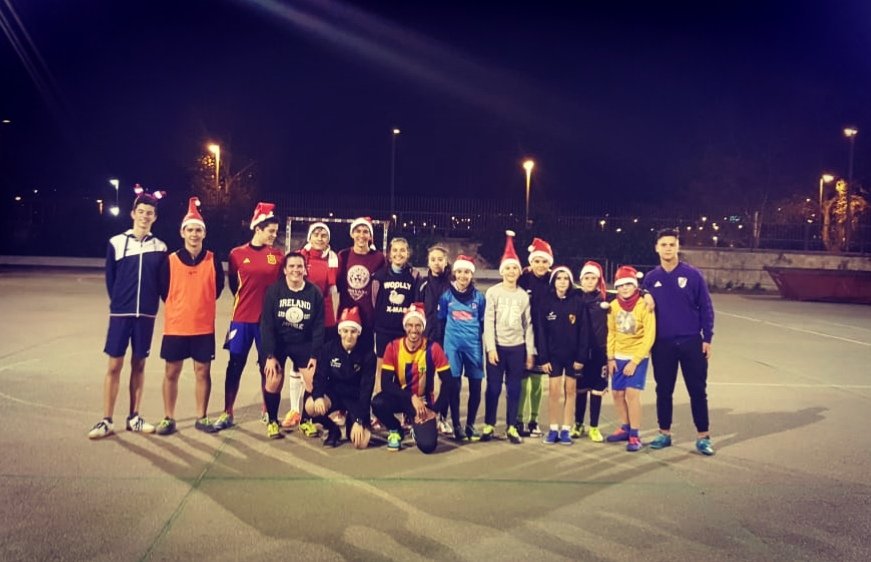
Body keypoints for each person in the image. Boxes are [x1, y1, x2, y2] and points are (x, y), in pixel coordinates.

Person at [88, 187, 167, 439]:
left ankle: (134, 416)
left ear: (155, 217)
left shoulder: (160, 247)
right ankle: (106, 420)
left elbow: (163, 283)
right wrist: (120, 303)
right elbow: (111, 279)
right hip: (121, 314)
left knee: (139, 364)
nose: (145, 216)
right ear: (133, 213)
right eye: (141, 212)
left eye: (150, 213)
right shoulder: (116, 242)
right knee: (114, 365)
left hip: (146, 315)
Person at [155, 198, 225, 435]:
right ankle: (168, 417)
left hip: (203, 327)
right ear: (182, 232)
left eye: (198, 230)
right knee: (171, 372)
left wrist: (199, 305)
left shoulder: (212, 259)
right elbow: (165, 290)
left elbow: (217, 288)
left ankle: (201, 416)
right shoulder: (171, 260)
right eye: (190, 230)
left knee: (202, 372)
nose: (194, 234)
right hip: (176, 327)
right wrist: (181, 306)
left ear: (204, 234)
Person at [643, 228, 716, 456]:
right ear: (656, 248)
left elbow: (706, 307)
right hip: (662, 344)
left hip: (691, 342)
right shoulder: (651, 278)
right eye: (663, 244)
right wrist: (643, 292)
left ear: (678, 247)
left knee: (697, 390)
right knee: (663, 390)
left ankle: (703, 437)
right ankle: (664, 433)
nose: (667, 248)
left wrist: (707, 337)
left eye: (671, 245)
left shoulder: (693, 276)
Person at [213, 202, 283, 432]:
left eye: (275, 231)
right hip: (241, 319)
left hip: (267, 322)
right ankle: (227, 412)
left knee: (269, 367)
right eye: (270, 230)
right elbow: (235, 285)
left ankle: (267, 411)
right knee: (235, 365)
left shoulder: (277, 256)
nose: (274, 235)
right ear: (258, 229)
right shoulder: (236, 254)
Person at [371, 303, 452, 453]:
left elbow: (448, 382)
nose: (413, 330)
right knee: (377, 403)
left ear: (423, 327)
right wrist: (411, 397)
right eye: (409, 325)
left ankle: (417, 428)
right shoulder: (393, 347)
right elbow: (386, 383)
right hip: (402, 397)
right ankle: (395, 430)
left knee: (428, 447)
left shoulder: (433, 348)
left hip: (423, 402)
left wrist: (435, 409)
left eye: (417, 325)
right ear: (404, 326)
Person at [260, 252, 325, 439]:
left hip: (303, 342)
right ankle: (272, 420)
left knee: (313, 380)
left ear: (305, 269)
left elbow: (318, 327)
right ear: (285, 270)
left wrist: (314, 355)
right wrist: (270, 356)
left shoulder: (314, 293)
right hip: (279, 342)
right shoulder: (274, 291)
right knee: (273, 379)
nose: (296, 270)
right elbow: (267, 325)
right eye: (292, 266)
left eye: (299, 266)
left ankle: (305, 421)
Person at [482, 231, 535, 444]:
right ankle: (489, 424)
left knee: (514, 388)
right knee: (493, 388)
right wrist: (491, 348)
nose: (511, 271)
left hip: (517, 348)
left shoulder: (523, 295)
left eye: (515, 267)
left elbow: (528, 324)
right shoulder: (493, 293)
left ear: (518, 271)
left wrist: (529, 351)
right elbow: (488, 322)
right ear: (502, 271)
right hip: (498, 348)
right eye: (508, 268)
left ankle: (512, 426)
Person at [287, 221, 340, 433]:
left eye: (324, 235)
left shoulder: (332, 259)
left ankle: (320, 407)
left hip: (325, 319)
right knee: (296, 365)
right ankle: (294, 410)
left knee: (320, 366)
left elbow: (334, 291)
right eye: (316, 234)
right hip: (301, 316)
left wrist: (335, 321)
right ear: (309, 236)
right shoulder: (299, 256)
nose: (320, 237)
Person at [305, 307, 375, 448]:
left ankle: (351, 421)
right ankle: (332, 429)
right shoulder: (328, 349)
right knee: (310, 406)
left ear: (358, 333)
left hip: (355, 398)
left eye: (353, 331)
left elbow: (366, 389)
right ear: (340, 331)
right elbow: (320, 377)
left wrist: (360, 420)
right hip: (335, 394)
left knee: (361, 443)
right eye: (345, 331)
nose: (349, 335)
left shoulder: (368, 355)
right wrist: (318, 396)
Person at [606, 266, 655, 452]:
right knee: (617, 394)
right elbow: (611, 333)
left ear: (635, 286)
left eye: (629, 284)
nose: (625, 288)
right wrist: (610, 358)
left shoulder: (645, 305)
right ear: (616, 288)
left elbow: (649, 335)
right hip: (617, 356)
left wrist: (635, 361)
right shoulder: (613, 306)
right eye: (621, 285)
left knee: (632, 394)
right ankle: (625, 427)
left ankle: (635, 434)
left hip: (637, 356)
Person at [437, 254, 486, 441]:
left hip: (473, 346)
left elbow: (482, 323)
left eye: (467, 272)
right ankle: (457, 424)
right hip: (452, 347)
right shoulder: (446, 297)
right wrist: (443, 348)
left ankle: (470, 425)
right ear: (454, 273)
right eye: (459, 272)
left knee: (475, 386)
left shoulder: (479, 298)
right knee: (453, 386)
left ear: (471, 275)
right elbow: (441, 323)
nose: (463, 276)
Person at [536, 266, 586, 445]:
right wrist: (543, 358)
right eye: (559, 278)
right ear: (554, 282)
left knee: (570, 391)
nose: (562, 281)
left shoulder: (578, 302)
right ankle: (553, 429)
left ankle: (566, 429)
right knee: (554, 392)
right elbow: (541, 332)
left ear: (570, 282)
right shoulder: (546, 302)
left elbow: (584, 332)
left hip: (573, 357)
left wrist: (581, 357)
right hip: (554, 356)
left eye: (566, 278)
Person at [517, 237, 554, 437]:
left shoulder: (554, 279)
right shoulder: (523, 279)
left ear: (550, 263)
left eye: (544, 261)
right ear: (530, 262)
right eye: (537, 261)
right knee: (522, 381)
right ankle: (518, 420)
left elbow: (578, 292)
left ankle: (533, 420)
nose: (540, 265)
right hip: (523, 337)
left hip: (545, 339)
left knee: (537, 382)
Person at [572, 261, 610, 443]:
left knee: (596, 391)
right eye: (586, 278)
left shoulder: (606, 298)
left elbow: (630, 293)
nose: (589, 281)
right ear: (581, 280)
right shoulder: (575, 297)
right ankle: (578, 424)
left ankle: (594, 426)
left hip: (600, 353)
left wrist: (645, 293)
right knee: (580, 390)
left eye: (593, 278)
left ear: (598, 279)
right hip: (580, 353)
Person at [336, 217, 385, 354]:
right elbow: (338, 283)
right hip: (346, 314)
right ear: (352, 234)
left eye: (365, 232)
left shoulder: (379, 257)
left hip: (368, 317)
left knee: (366, 357)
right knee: (343, 355)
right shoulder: (343, 255)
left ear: (370, 236)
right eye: (358, 231)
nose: (361, 235)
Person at [419, 244, 453, 435]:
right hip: (427, 339)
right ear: (428, 262)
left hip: (447, 339)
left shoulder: (452, 283)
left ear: (446, 261)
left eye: (440, 259)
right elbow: (416, 309)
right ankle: (427, 415)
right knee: (426, 379)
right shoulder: (423, 283)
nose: (437, 263)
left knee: (445, 380)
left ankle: (443, 417)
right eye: (433, 259)